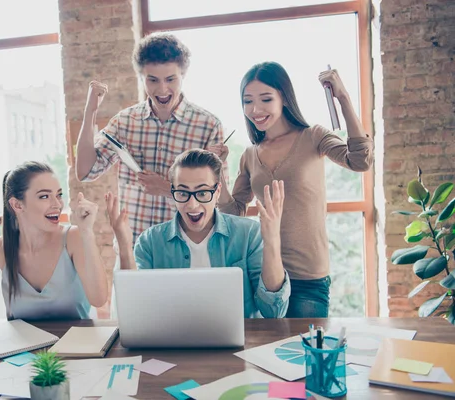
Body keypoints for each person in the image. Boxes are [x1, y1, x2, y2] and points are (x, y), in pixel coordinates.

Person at [215, 61, 374, 318]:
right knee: (259, 356)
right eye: (248, 101)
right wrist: (219, 169)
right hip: (264, 273)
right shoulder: (249, 154)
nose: (255, 109)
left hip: (307, 276)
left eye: (266, 99)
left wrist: (342, 97)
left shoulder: (313, 136)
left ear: (284, 99)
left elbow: (360, 161)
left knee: (307, 354)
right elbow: (234, 213)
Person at [75, 32, 227, 246]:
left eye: (170, 79)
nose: (162, 89)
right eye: (153, 80)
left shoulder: (208, 126)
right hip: (134, 249)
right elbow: (85, 171)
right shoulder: (124, 122)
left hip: (186, 248)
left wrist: (167, 189)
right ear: (141, 78)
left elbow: (219, 200)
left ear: (183, 75)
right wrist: (90, 111)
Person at [107, 149, 291, 318]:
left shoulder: (249, 234)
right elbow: (134, 310)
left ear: (217, 191)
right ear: (173, 192)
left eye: (202, 193)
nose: (192, 205)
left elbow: (274, 312)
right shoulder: (150, 241)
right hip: (171, 346)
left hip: (239, 347)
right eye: (183, 193)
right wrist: (124, 246)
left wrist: (273, 240)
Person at [0, 161, 108, 320]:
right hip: (23, 353)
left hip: (75, 350)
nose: (57, 204)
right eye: (44, 196)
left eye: (58, 195)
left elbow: (99, 299)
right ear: (17, 205)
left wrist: (87, 232)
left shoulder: (74, 238)